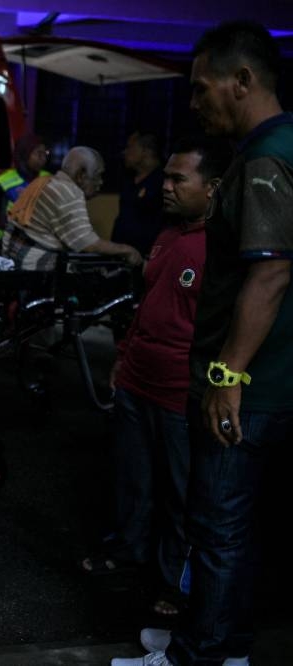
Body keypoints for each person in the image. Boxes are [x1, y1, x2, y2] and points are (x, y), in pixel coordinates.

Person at [113, 20, 293, 666]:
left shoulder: (269, 154)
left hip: (253, 388)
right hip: (268, 382)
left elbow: (271, 270)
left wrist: (227, 378)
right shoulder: (276, 148)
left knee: (217, 528)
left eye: (201, 89)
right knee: (236, 532)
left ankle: (202, 655)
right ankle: (226, 645)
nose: (193, 104)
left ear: (242, 82)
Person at [78, 137, 230, 620]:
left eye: (178, 179)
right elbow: (147, 308)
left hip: (179, 392)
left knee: (180, 494)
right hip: (138, 381)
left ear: (213, 188)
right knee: (132, 479)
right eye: (165, 176)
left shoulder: (222, 249)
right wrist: (122, 358)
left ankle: (174, 585)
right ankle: (128, 554)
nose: (165, 186)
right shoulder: (167, 236)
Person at [1, 146, 143, 270]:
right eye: (98, 176)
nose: (101, 183)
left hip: (13, 259)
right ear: (81, 175)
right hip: (34, 269)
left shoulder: (47, 181)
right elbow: (88, 244)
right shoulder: (69, 192)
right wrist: (127, 250)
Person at [0, 133, 50, 241]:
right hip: (7, 242)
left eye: (45, 153)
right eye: (38, 154)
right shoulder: (3, 182)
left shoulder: (49, 180)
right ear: (25, 155)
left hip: (40, 243)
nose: (43, 158)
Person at [111, 130, 166, 258]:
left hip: (147, 258)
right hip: (120, 256)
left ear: (145, 151)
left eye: (129, 147)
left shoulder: (163, 182)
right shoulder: (129, 180)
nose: (125, 152)